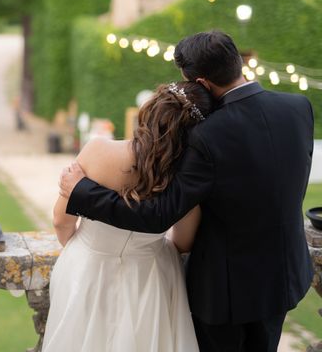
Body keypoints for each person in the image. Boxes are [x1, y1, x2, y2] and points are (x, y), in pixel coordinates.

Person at [59, 30, 314, 352]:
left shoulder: (208, 135)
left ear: (203, 83)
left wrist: (83, 192)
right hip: (285, 275)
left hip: (226, 293)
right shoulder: (298, 108)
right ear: (236, 61)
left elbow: (158, 215)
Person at [44, 81, 212, 351]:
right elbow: (183, 241)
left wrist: (87, 250)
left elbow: (61, 220)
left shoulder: (98, 150)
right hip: (151, 274)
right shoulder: (185, 178)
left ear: (148, 111)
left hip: (86, 266)